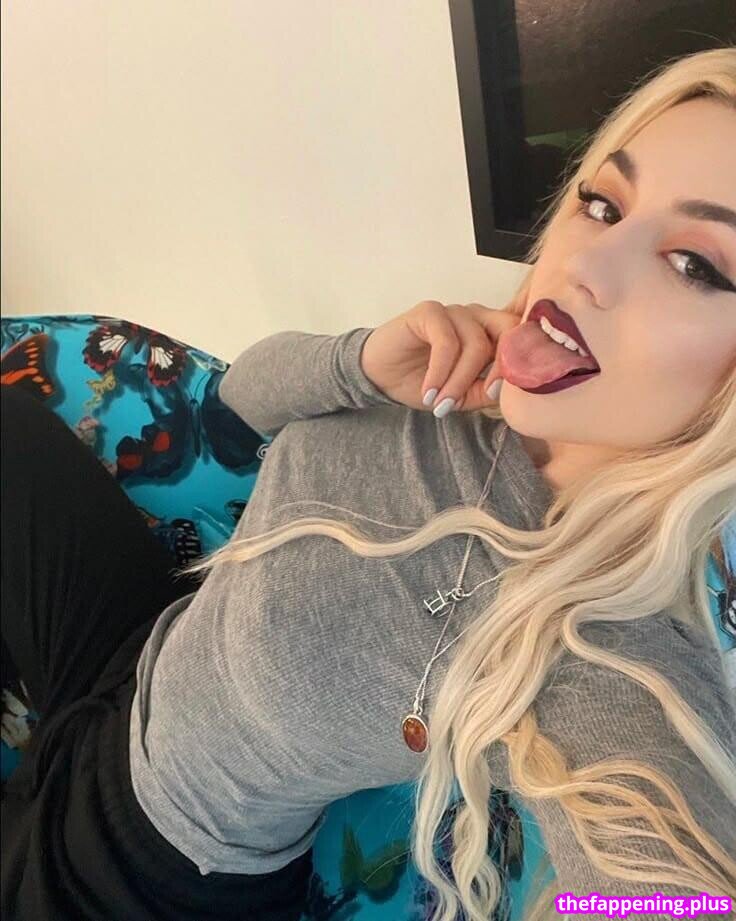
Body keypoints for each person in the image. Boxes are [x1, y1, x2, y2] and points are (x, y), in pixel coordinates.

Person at [2, 46, 735, 921]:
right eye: (603, 204)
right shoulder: (469, 381)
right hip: (133, 657)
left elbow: (669, 889)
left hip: (142, 875)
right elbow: (231, 407)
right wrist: (360, 361)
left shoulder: (601, 641)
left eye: (695, 265)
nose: (588, 262)